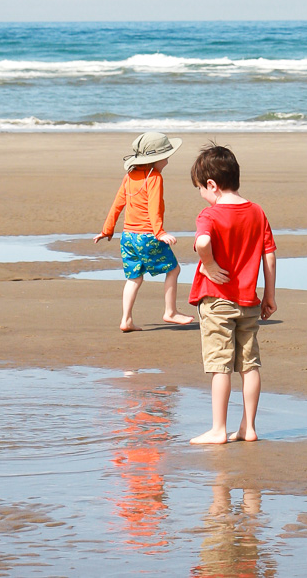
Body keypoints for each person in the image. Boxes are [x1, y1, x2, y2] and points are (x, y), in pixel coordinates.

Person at [187, 144, 277, 446]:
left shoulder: (209, 214)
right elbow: (269, 255)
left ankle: (218, 429)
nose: (201, 193)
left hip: (217, 300)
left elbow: (201, 242)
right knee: (249, 364)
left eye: (200, 187)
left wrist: (209, 265)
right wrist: (269, 295)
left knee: (220, 365)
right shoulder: (257, 211)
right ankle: (249, 427)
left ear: (211, 185)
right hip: (249, 301)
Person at [94, 130, 194, 333]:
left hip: (128, 237)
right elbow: (153, 207)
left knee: (134, 278)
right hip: (148, 236)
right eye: (165, 156)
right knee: (173, 270)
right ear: (155, 159)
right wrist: (159, 232)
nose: (167, 160)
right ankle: (170, 312)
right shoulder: (154, 177)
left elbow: (117, 204)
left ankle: (126, 320)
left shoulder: (130, 175)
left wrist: (107, 229)